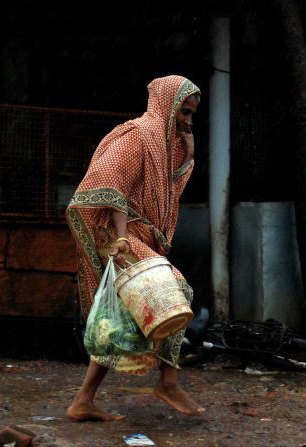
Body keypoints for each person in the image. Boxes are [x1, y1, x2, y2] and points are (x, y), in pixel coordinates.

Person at [65, 75, 204, 421]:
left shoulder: (163, 141)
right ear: (167, 104)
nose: (187, 121)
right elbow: (113, 181)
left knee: (123, 315)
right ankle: (168, 382)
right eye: (183, 112)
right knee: (176, 289)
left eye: (191, 115)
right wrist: (122, 238)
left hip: (136, 234)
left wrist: (188, 154)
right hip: (117, 234)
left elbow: (164, 188)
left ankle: (83, 401)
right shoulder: (138, 135)